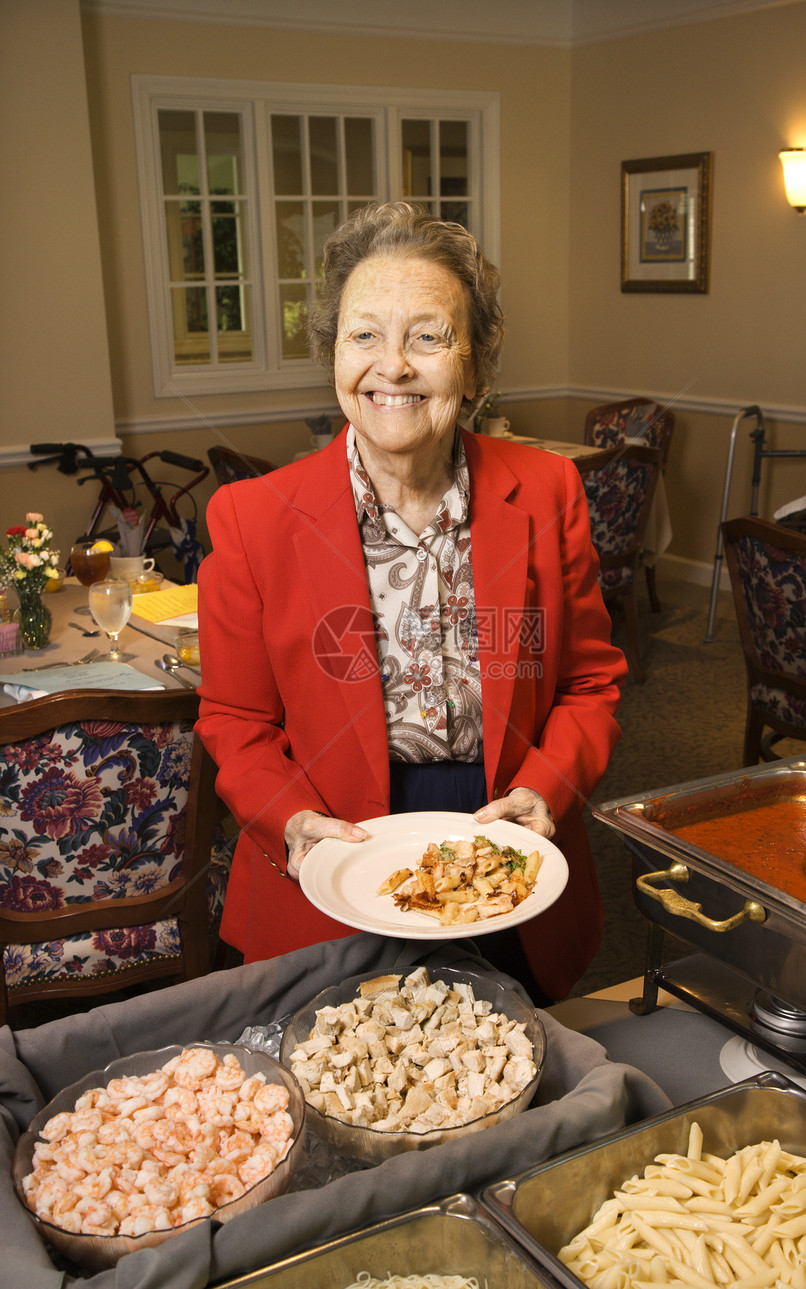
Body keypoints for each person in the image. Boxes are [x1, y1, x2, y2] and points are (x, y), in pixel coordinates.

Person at [196, 201, 627, 1003]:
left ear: (475, 367)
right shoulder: (251, 518)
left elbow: (590, 683)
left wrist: (551, 785)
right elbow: (234, 721)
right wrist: (291, 819)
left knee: (504, 1088)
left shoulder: (546, 491)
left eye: (428, 336)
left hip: (500, 841)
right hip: (335, 854)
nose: (391, 367)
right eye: (364, 335)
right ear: (333, 352)